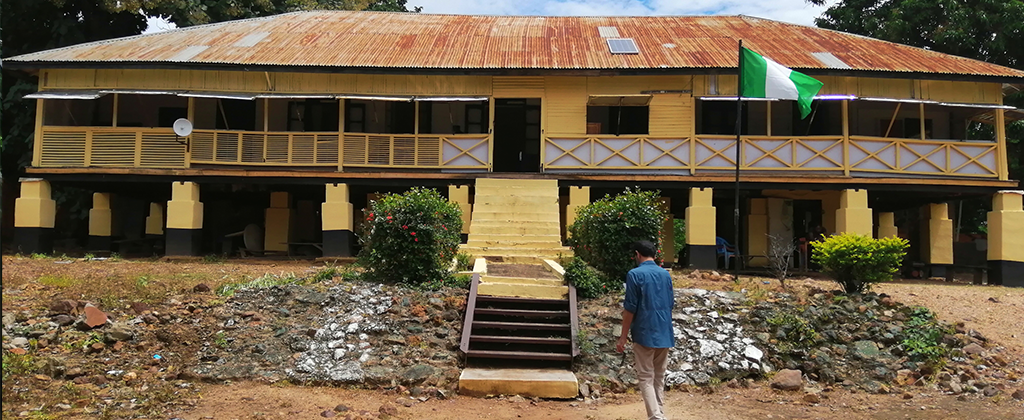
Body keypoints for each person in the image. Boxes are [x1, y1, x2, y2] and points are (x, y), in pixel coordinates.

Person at [616, 240, 675, 420]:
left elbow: (630, 308)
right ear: (655, 255)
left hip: (644, 331)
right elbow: (670, 303)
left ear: (637, 254)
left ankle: (655, 416)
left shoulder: (634, 274)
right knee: (659, 375)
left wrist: (623, 337)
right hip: (664, 331)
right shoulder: (665, 275)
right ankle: (660, 413)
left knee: (645, 376)